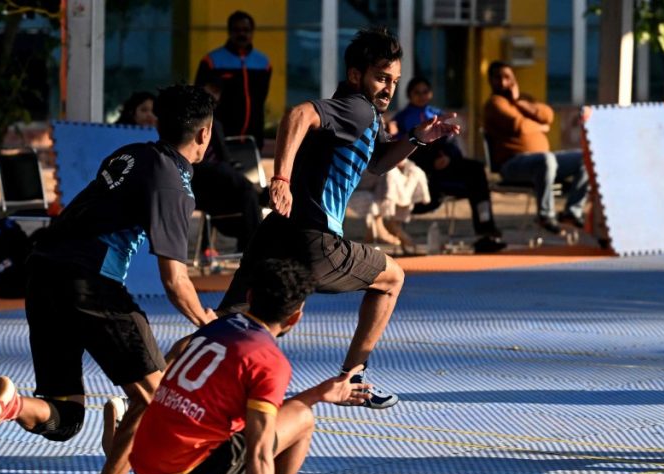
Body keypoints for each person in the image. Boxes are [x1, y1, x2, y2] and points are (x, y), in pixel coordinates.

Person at [0, 84, 219, 474]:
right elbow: (175, 282)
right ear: (204, 134)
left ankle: (11, 404)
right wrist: (211, 326)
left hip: (40, 272)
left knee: (64, 416)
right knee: (159, 401)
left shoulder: (131, 153)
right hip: (89, 282)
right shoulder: (175, 184)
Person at [218, 27, 461, 410]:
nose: (389, 89)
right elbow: (297, 114)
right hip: (316, 243)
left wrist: (417, 137)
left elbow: (379, 162)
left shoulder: (365, 117)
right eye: (382, 78)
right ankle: (353, 378)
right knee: (392, 278)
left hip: (275, 233)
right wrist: (280, 178)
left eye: (394, 81)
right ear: (355, 75)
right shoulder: (357, 108)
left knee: (226, 328)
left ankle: (158, 390)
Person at [130, 259, 372, 474]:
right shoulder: (268, 361)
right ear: (295, 318)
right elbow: (258, 455)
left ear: (249, 296)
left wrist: (317, 394)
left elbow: (175, 360)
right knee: (301, 425)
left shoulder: (215, 327)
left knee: (278, 427)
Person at [394, 77, 506, 253]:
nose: (422, 96)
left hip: (446, 163)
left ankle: (486, 230)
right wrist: (433, 160)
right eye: (417, 92)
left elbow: (452, 143)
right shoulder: (402, 119)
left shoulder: (437, 114)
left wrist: (447, 157)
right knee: (424, 141)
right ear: (409, 95)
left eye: (425, 92)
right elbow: (404, 148)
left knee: (476, 171)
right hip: (424, 167)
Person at [483, 61, 588, 235]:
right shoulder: (494, 104)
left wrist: (519, 103)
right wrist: (541, 127)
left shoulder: (524, 100)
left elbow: (548, 115)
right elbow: (519, 125)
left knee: (585, 157)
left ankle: (572, 211)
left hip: (545, 161)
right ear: (490, 81)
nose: (502, 82)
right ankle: (545, 215)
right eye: (497, 78)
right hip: (513, 165)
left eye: (507, 77)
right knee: (546, 160)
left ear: (514, 79)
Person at [192, 80, 263, 253]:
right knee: (224, 171)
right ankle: (261, 193)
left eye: (216, 94)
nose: (213, 98)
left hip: (221, 188)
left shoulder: (216, 125)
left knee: (248, 197)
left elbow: (226, 158)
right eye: (209, 93)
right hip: (200, 181)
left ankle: (251, 252)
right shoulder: (189, 122)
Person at [195, 10, 272, 148]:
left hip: (253, 136)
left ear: (252, 32)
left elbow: (261, 96)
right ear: (229, 32)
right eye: (237, 30)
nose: (242, 34)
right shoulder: (211, 61)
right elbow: (200, 98)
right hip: (221, 136)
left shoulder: (264, 63)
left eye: (246, 30)